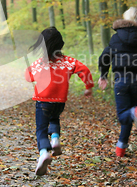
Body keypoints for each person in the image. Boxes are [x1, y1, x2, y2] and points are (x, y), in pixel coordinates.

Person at [25, 27, 94, 176]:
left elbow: (28, 76)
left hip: (42, 101)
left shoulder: (38, 63)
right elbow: (85, 70)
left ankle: (44, 153)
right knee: (54, 118)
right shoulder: (68, 61)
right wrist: (88, 86)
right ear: (60, 44)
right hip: (60, 102)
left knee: (41, 130)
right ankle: (55, 138)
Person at [98, 7, 137, 157]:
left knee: (124, 115)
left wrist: (103, 75)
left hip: (121, 79)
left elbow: (105, 57)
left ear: (125, 18)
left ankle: (135, 113)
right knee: (129, 114)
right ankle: (121, 148)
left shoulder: (116, 38)